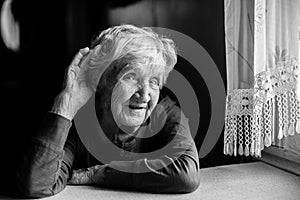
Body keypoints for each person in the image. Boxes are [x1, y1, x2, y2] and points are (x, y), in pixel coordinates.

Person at [16, 24, 200, 198]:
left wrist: (100, 174)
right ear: (100, 81)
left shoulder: (167, 114)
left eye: (153, 81)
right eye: (131, 77)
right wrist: (66, 104)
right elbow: (36, 183)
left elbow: (185, 175)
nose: (144, 95)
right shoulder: (79, 123)